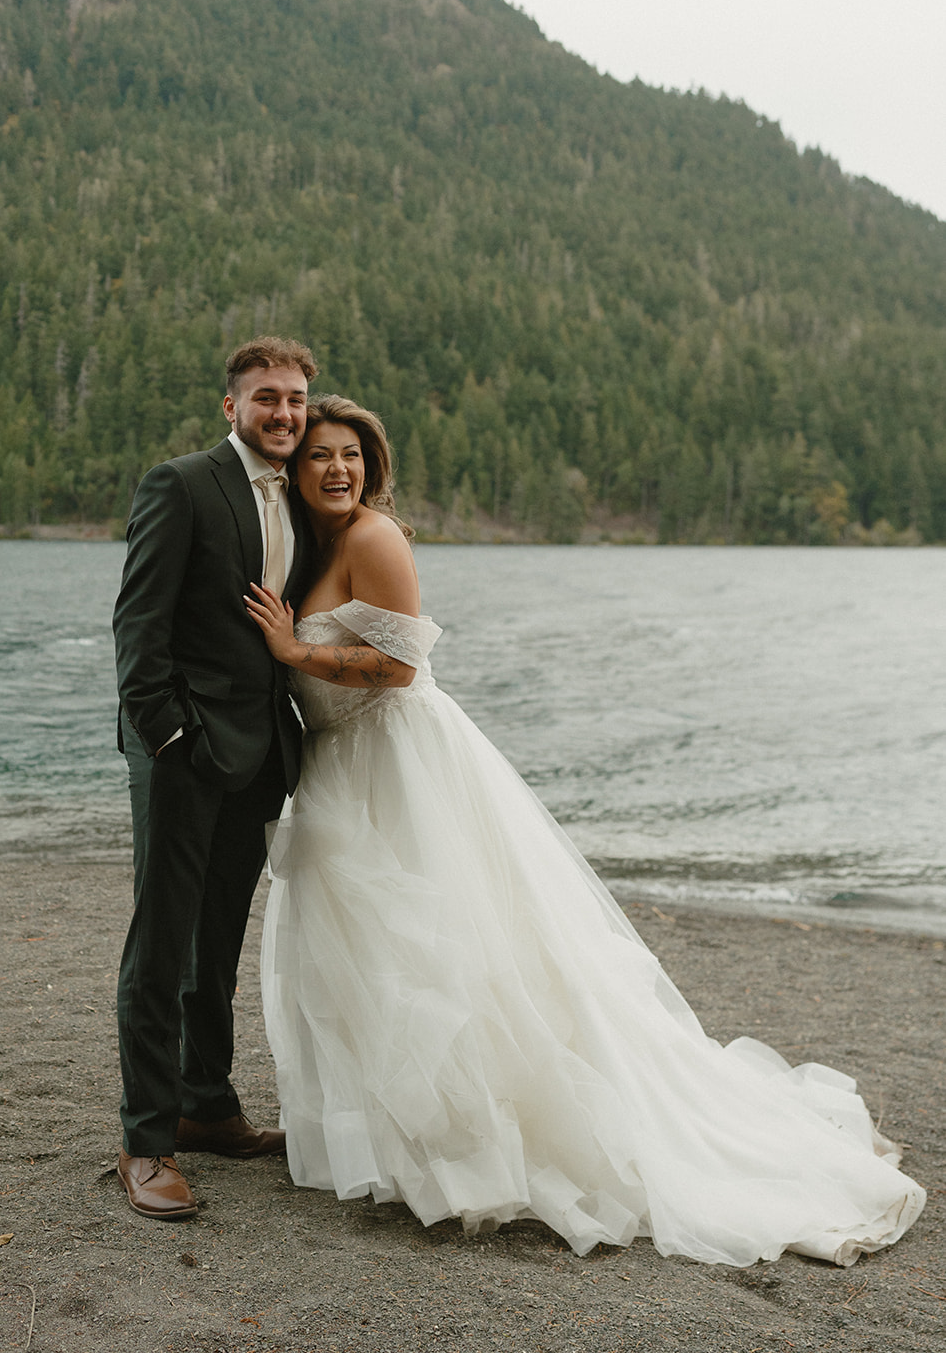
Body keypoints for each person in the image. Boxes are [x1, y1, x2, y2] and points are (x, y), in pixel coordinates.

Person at [245, 394, 925, 1266]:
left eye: (352, 455)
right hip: (344, 768)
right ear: (294, 468)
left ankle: (488, 1144)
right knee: (378, 960)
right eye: (319, 457)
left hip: (400, 765)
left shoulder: (374, 537)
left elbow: (402, 662)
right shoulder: (309, 548)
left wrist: (298, 654)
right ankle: (412, 1145)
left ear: (370, 467)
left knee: (448, 955)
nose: (337, 469)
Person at [111, 335, 318, 1219]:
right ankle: (146, 1139)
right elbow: (138, 623)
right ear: (229, 407)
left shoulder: (302, 495)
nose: (283, 413)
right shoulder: (182, 482)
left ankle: (208, 1105)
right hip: (184, 753)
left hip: (262, 750)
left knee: (218, 942)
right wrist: (163, 738)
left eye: (296, 400)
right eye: (265, 397)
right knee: (160, 946)